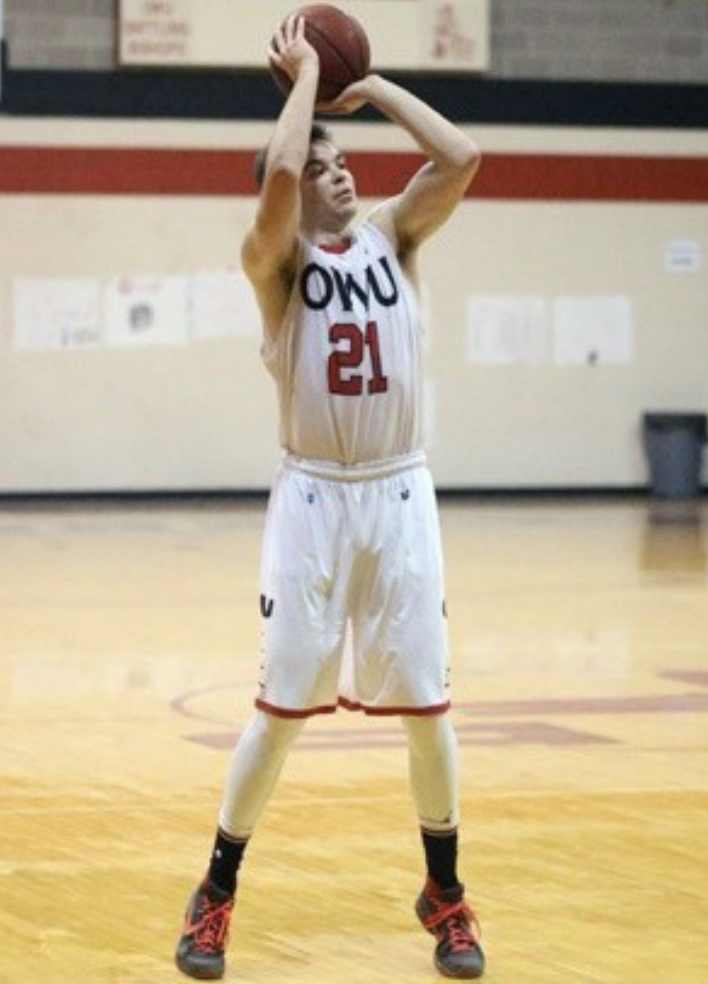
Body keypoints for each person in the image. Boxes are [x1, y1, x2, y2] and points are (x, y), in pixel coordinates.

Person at [175, 12, 483, 982]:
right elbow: (273, 184)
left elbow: (463, 155)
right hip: (313, 501)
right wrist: (305, 83)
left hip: (400, 495)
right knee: (280, 709)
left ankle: (446, 892)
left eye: (344, 161)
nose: (340, 173)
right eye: (323, 168)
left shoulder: (395, 234)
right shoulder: (276, 263)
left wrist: (369, 87)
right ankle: (216, 892)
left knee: (429, 709)